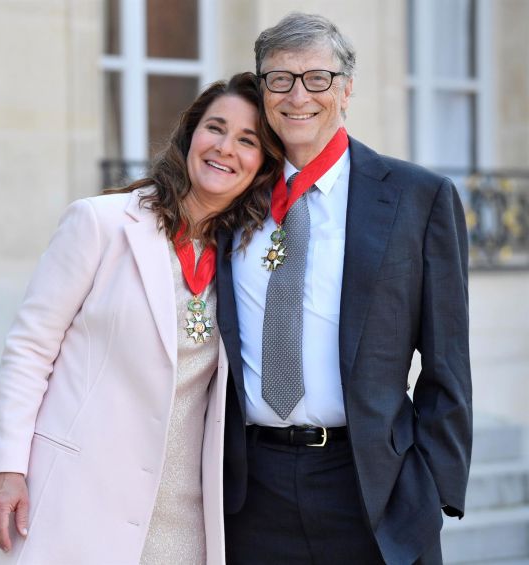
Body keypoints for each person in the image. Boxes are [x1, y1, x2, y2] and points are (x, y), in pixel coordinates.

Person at [0, 72, 283, 565]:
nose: (226, 148)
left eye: (247, 141)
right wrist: (7, 467)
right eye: (216, 128)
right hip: (79, 494)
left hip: (186, 513)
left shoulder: (242, 259)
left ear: (262, 166)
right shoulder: (100, 223)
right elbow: (30, 349)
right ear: (190, 135)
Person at [216, 13, 472, 565]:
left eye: (317, 78)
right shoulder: (233, 200)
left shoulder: (417, 197)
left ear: (346, 89)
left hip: (371, 486)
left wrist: (434, 490)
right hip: (250, 494)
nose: (297, 95)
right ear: (262, 92)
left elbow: (447, 362)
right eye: (279, 79)